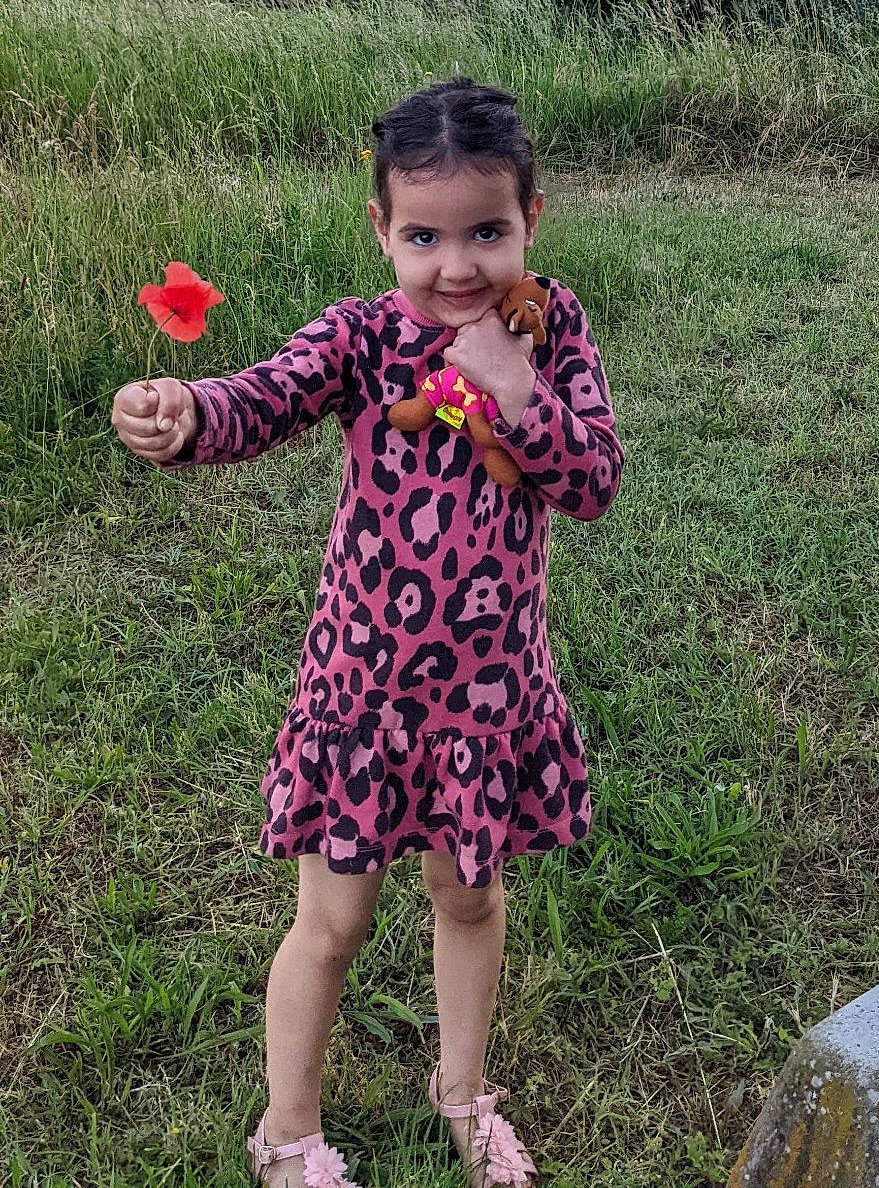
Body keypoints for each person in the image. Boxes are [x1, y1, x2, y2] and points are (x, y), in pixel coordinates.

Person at [111, 77, 622, 1188]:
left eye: (488, 230)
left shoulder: (553, 325)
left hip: (488, 697)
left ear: (532, 218)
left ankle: (463, 1090)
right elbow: (265, 393)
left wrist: (517, 389)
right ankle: (287, 1129)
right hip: (365, 695)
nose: (457, 265)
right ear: (383, 231)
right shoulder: (360, 337)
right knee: (332, 920)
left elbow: (595, 483)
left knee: (471, 894)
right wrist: (191, 408)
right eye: (425, 234)